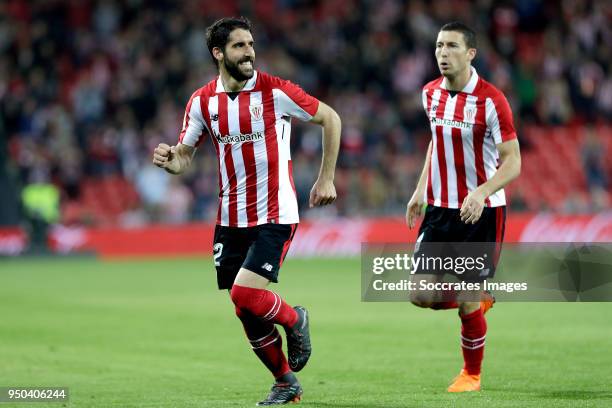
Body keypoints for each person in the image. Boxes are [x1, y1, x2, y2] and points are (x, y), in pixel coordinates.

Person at [152, 17, 341, 405]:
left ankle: (294, 318)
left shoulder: (276, 91)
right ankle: (285, 381)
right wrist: (171, 160)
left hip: (275, 213)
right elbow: (185, 155)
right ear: (218, 53)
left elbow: (331, 118)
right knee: (244, 308)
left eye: (251, 44)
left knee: (245, 293)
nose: (249, 52)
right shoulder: (202, 101)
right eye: (239, 46)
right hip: (230, 218)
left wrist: (326, 178)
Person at [406, 22, 521, 393]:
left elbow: (513, 162)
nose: (442, 53)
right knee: (420, 294)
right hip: (440, 209)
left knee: (467, 300)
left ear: (470, 54)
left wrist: (481, 192)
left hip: (481, 213)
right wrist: (420, 189)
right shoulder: (429, 94)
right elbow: (435, 143)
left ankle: (471, 374)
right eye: (439, 45)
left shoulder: (492, 101)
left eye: (452, 46)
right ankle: (477, 299)